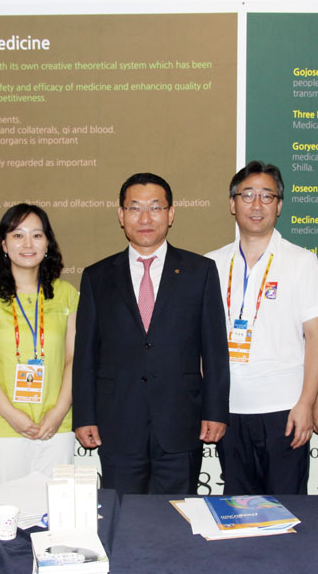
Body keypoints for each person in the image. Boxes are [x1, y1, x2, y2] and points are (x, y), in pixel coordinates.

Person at [72, 172, 230, 494]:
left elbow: (215, 350)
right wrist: (84, 415)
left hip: (180, 423)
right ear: (121, 215)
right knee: (124, 514)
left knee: (177, 514)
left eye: (155, 208)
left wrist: (215, 411)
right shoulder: (97, 277)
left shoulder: (200, 272)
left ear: (170, 214)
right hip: (118, 425)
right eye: (135, 208)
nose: (145, 218)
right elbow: (86, 354)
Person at [205, 161, 318, 494]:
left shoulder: (301, 262)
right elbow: (199, 342)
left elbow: (317, 338)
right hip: (229, 411)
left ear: (279, 205)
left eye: (267, 196)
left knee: (287, 507)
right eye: (247, 195)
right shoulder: (211, 264)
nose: (257, 204)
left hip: (285, 410)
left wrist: (306, 403)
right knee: (239, 507)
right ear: (232, 203)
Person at [0, 204, 78, 484]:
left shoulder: (66, 294)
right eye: (18, 235)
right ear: (4, 245)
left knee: (55, 507)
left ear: (47, 243)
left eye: (37, 235)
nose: (28, 244)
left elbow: (74, 358)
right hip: (2, 426)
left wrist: (58, 412)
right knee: (7, 506)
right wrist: (12, 415)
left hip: (56, 426)